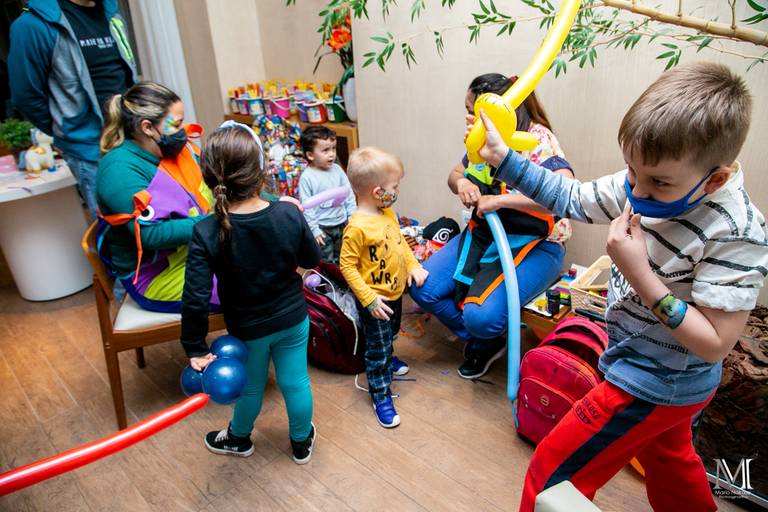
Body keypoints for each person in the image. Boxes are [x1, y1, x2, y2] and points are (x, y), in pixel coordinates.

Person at [473, 62, 767, 512]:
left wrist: (639, 274)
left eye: (658, 183)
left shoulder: (737, 231)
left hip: (656, 379)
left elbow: (714, 344)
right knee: (671, 465)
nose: (636, 189)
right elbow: (572, 198)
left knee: (550, 478)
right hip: (644, 365)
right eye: (631, 171)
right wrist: (504, 159)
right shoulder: (644, 177)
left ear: (716, 179)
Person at [410, 73, 574, 380]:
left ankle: (484, 327)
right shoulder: (481, 138)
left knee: (481, 317)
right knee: (422, 287)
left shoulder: (539, 140)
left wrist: (501, 202)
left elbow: (564, 195)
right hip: (484, 233)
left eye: (472, 109)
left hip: (540, 244)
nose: (468, 118)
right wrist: (461, 183)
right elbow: (455, 173)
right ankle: (486, 339)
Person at [180, 122, 320, 463]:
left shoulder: (206, 230)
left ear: (209, 177)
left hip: (249, 329)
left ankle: (239, 438)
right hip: (292, 318)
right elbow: (311, 259)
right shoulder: (288, 212)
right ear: (261, 170)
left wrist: (195, 347)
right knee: (296, 381)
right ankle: (301, 442)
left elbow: (196, 297)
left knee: (251, 387)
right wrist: (298, 222)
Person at [9, 0, 137, 220]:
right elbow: (25, 96)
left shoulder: (111, 12)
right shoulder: (33, 26)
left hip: (136, 140)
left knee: (155, 222)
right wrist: (69, 130)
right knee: (121, 238)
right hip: (91, 151)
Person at [339, 147, 429, 428]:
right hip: (375, 302)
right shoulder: (357, 228)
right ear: (378, 191)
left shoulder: (386, 212)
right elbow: (347, 267)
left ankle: (389, 359)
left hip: (394, 293)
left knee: (389, 336)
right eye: (395, 186)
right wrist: (369, 300)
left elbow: (401, 244)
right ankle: (380, 393)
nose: (397, 191)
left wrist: (413, 265)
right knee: (376, 349)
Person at [298, 125, 356, 264]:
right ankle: (329, 283)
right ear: (310, 155)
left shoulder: (337, 170)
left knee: (344, 256)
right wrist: (315, 230)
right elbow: (307, 208)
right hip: (322, 229)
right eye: (325, 150)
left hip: (342, 223)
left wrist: (352, 215)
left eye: (333, 149)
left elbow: (348, 194)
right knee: (326, 260)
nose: (331, 154)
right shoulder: (307, 178)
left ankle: (342, 281)